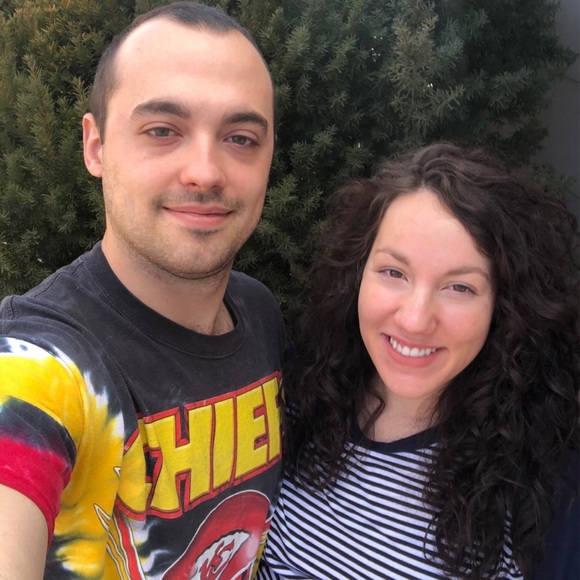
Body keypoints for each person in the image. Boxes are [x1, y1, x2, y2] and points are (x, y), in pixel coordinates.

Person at [0, 2, 284, 578]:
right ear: (96, 146)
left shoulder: (259, 313)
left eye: (241, 137)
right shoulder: (44, 367)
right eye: (162, 131)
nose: (205, 171)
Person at [257, 143, 579, 579]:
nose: (414, 319)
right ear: (357, 275)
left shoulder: (546, 486)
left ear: (504, 307)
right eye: (394, 273)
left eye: (459, 287)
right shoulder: (296, 396)